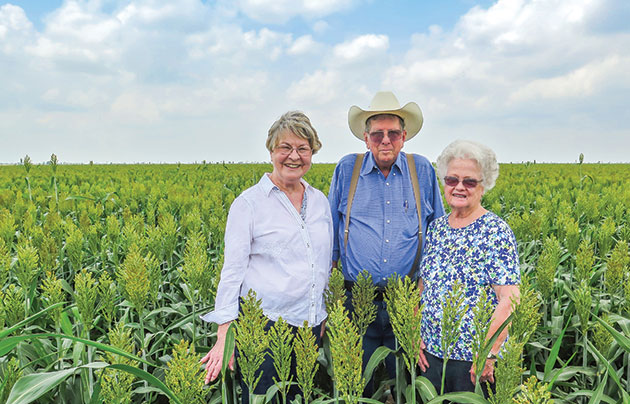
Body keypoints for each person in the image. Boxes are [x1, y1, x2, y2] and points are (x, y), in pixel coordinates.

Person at [200, 111, 332, 403]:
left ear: (312, 153)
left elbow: (321, 263)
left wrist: (321, 312)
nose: (293, 156)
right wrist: (225, 335)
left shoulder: (320, 201)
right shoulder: (248, 204)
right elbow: (231, 271)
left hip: (309, 328)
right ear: (272, 151)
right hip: (263, 328)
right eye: (285, 147)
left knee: (301, 397)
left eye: (303, 148)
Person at [328, 91, 445, 395]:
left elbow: (438, 237)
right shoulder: (347, 170)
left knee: (406, 386)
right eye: (377, 134)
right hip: (357, 301)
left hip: (406, 301)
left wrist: (425, 300)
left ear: (404, 136)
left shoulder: (422, 171)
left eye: (393, 133)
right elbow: (331, 241)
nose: (385, 140)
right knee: (358, 387)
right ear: (365, 138)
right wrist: (333, 303)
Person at [417, 139, 521, 394]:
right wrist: (413, 331)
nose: (459, 187)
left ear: (484, 186)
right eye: (452, 180)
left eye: (469, 181)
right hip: (430, 355)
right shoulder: (437, 228)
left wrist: (489, 352)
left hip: (472, 361)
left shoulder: (495, 231)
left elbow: (510, 298)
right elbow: (422, 287)